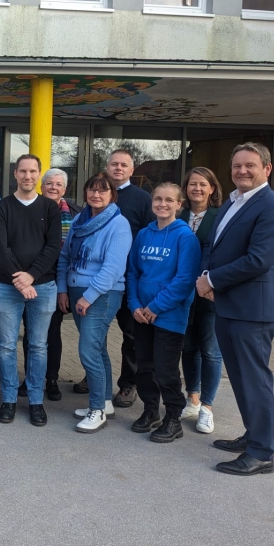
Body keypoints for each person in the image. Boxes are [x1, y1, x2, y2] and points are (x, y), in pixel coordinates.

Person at [196, 143, 274, 476]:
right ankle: (253, 435)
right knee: (239, 378)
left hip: (254, 310)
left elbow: (258, 260)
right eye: (237, 165)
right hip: (227, 305)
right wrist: (207, 277)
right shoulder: (231, 203)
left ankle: (262, 452)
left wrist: (212, 280)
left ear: (267, 168)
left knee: (255, 380)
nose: (242, 171)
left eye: (250, 165)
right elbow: (213, 247)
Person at [57, 173, 131, 434]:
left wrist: (88, 296)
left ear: (112, 194)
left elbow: (113, 267)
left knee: (88, 350)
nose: (96, 195)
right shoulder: (79, 220)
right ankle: (106, 403)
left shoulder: (118, 224)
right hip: (76, 290)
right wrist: (63, 289)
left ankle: (96, 410)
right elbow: (65, 256)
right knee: (97, 348)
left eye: (102, 190)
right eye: (92, 189)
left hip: (102, 295)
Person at [127, 183, 201, 443]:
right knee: (144, 366)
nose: (162, 204)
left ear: (179, 205)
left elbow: (184, 280)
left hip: (169, 316)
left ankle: (173, 418)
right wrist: (134, 304)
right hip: (141, 314)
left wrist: (155, 307)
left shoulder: (185, 237)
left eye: (169, 200)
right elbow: (133, 272)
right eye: (158, 199)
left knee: (165, 369)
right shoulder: (144, 235)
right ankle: (150, 410)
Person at [0, 155, 61, 427]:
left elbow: (53, 247)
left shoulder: (50, 208)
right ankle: (9, 398)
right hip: (7, 287)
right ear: (15, 174)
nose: (28, 176)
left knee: (38, 346)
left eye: (33, 171)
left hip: (43, 287)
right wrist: (21, 281)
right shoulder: (2, 207)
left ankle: (35, 400)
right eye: (23, 171)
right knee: (6, 345)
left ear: (39, 174)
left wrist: (31, 276)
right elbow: (1, 248)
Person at [19, 167, 81, 401]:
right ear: (42, 186)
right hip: (31, 279)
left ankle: (51, 379)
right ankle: (30, 377)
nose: (53, 188)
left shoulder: (76, 213)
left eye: (58, 185)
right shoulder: (29, 208)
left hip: (58, 279)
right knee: (31, 332)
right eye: (49, 183)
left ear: (64, 189)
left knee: (52, 331)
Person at [107, 149, 155, 408]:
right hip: (101, 280)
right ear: (107, 167)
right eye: (114, 164)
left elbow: (149, 236)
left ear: (131, 170)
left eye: (123, 165)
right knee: (95, 333)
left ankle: (129, 384)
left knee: (131, 335)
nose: (118, 168)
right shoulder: (99, 193)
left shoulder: (142, 199)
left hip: (129, 280)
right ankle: (96, 376)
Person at [178, 167, 223, 434]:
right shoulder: (179, 215)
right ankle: (192, 400)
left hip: (210, 293)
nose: (197, 188)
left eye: (203, 184)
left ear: (212, 189)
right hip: (183, 293)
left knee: (211, 351)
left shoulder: (221, 216)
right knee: (188, 348)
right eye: (192, 184)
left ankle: (207, 407)